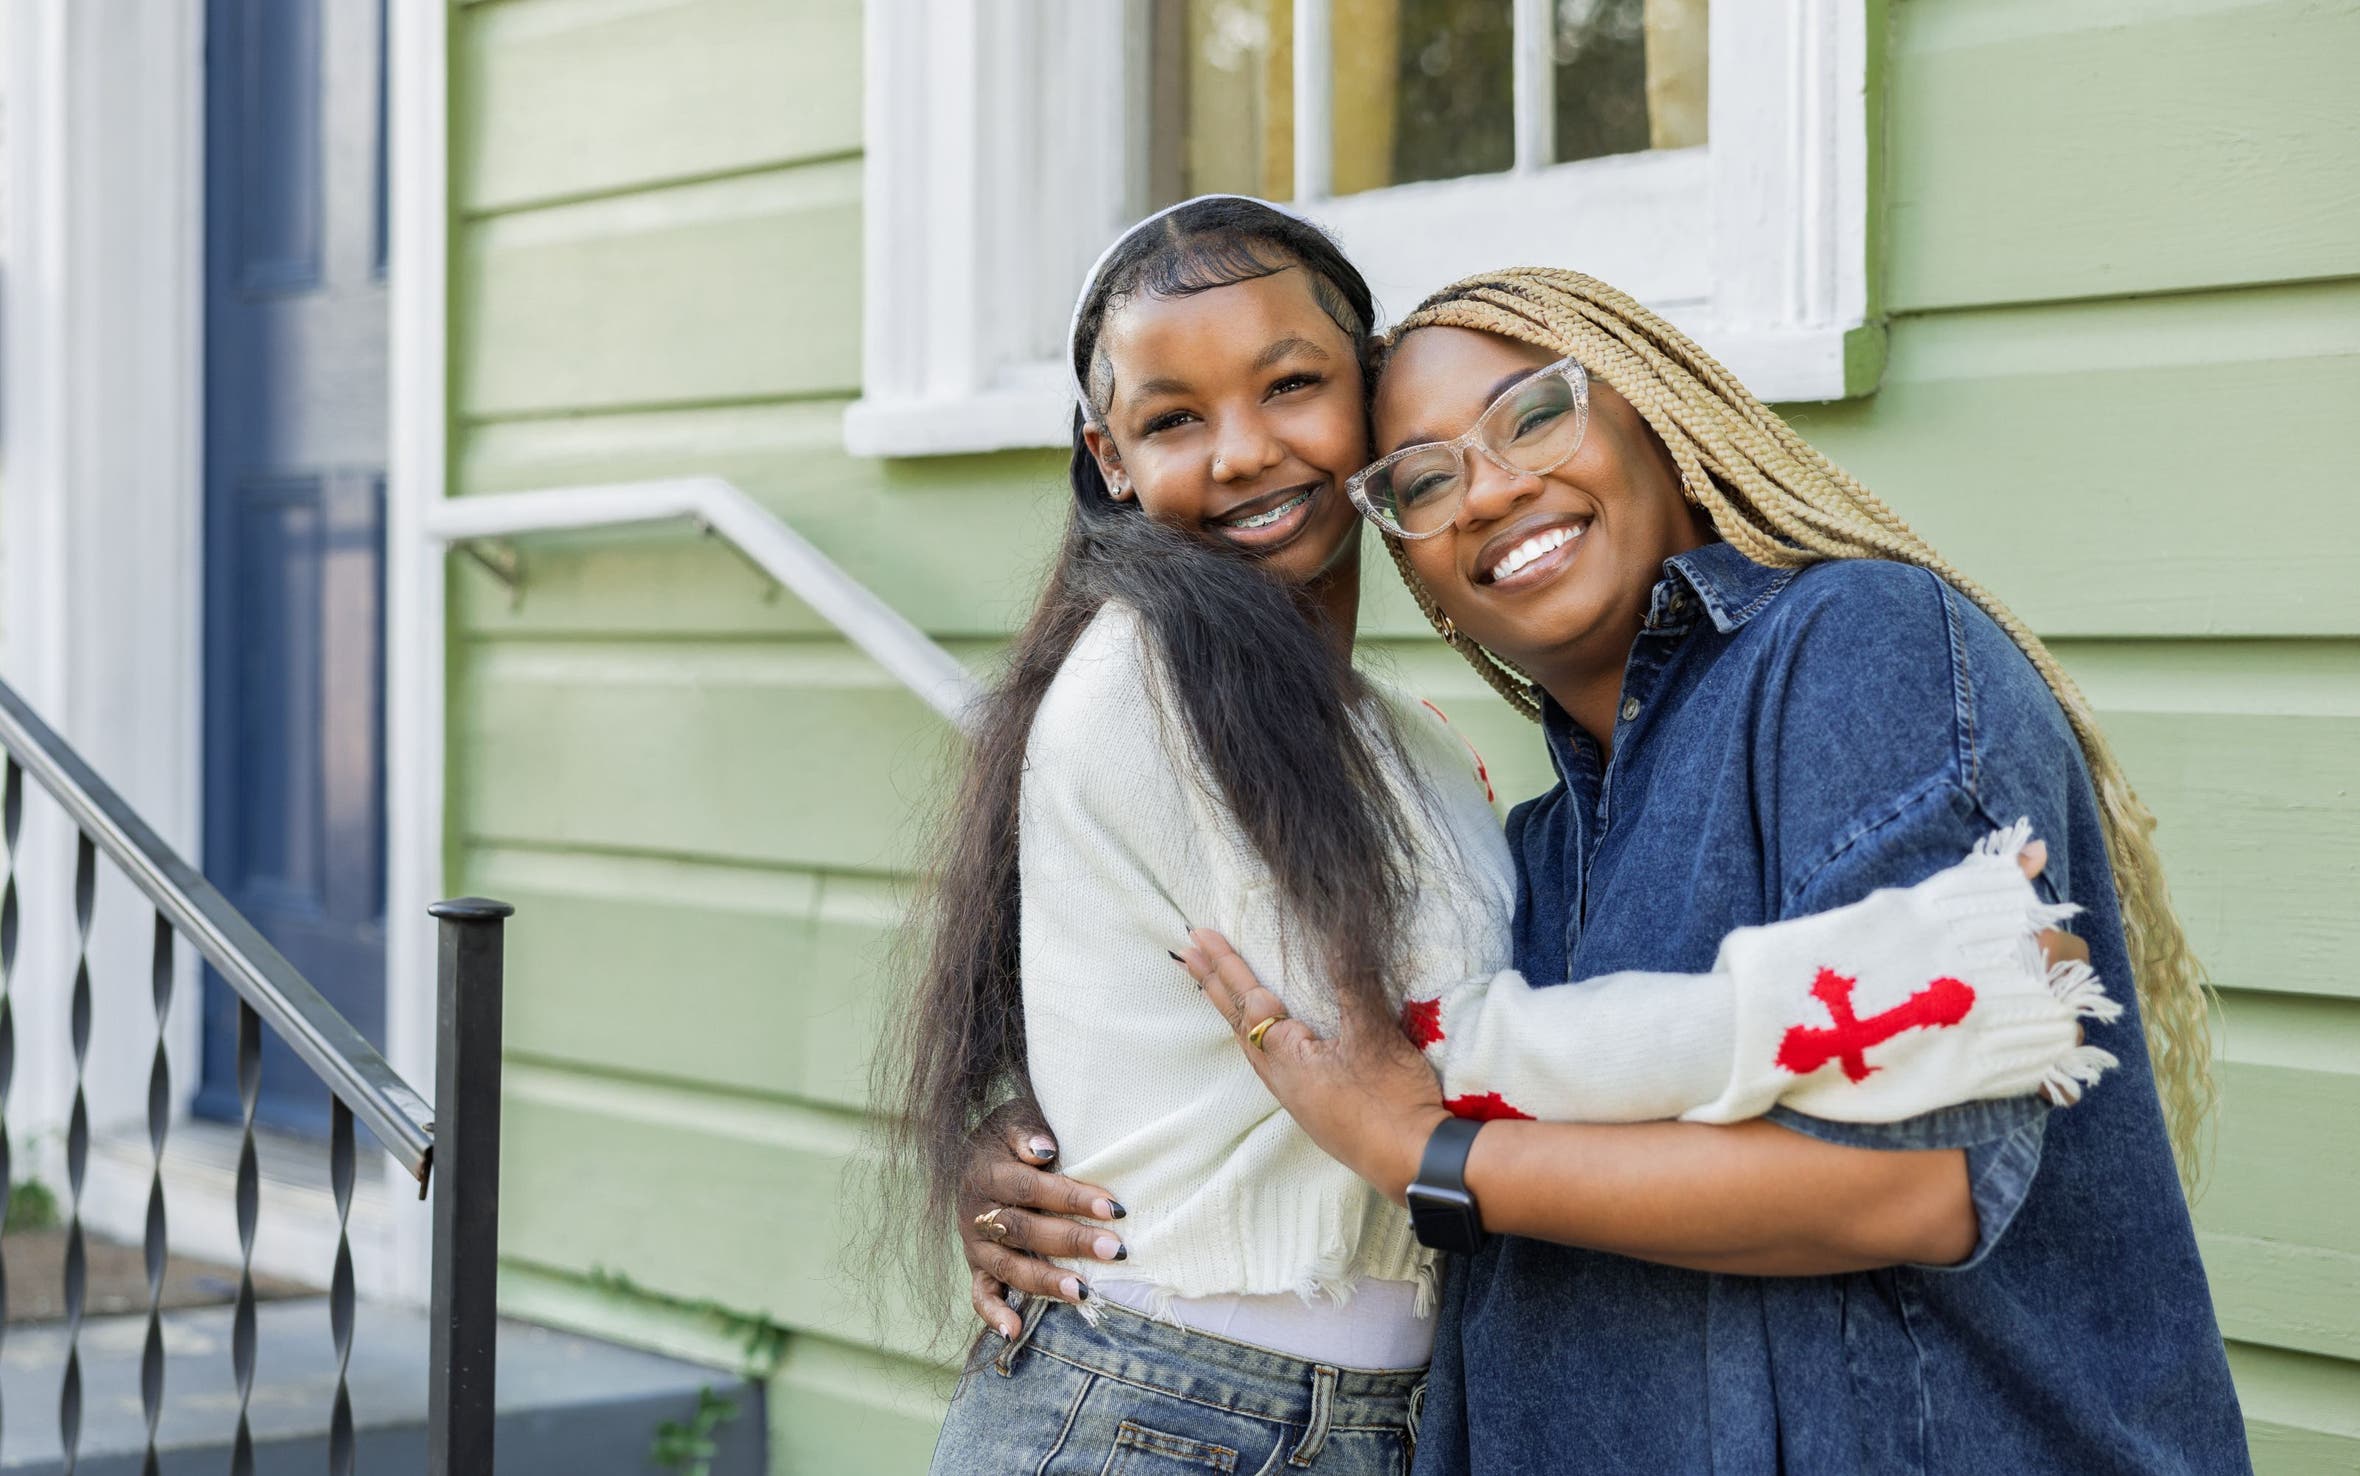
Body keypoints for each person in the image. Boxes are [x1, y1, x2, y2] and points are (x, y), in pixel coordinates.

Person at [897, 200, 2109, 1476]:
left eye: (1290, 385)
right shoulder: (1145, 682)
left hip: (1339, 1419)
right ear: (1111, 457)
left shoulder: (1437, 751)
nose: (1245, 449)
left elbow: (1445, 1065)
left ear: (1361, 411)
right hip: (1174, 1408)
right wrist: (1876, 994)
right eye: (1173, 418)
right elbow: (1414, 1053)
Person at [1172, 267, 2248, 1473]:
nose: (1489, 488)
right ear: (1414, 568)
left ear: (1653, 412)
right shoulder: (1522, 856)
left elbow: (1912, 1183)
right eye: (1421, 483)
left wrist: (1433, 1160)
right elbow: (1354, 1078)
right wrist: (1036, 1156)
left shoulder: (1853, 647)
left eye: (1533, 414)